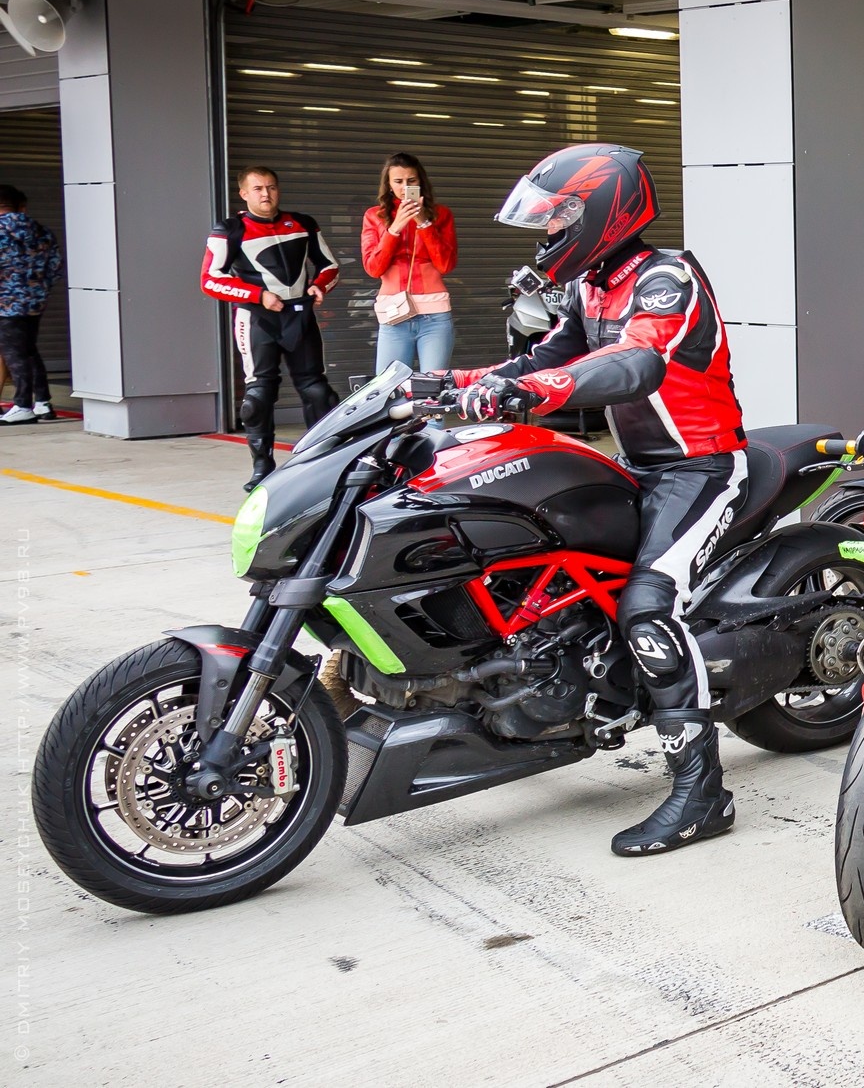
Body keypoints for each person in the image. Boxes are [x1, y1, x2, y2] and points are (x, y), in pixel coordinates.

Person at [445, 144, 750, 857]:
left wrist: (528, 391)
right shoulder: (590, 288)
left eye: (558, 220)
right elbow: (541, 360)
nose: (548, 234)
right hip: (637, 465)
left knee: (647, 603)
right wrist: (446, 383)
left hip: (700, 468)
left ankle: (702, 792)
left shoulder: (666, 277)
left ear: (604, 212)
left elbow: (636, 362)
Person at [199, 167, 341, 490]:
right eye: (258, 188)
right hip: (256, 318)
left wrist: (319, 286)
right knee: (258, 397)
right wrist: (257, 295)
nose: (266, 194)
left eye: (272, 187)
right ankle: (262, 467)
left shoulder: (302, 223)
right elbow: (209, 279)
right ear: (244, 194)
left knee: (318, 392)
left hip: (300, 315)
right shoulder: (229, 230)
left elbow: (330, 265)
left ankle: (322, 461)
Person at [362, 152, 458, 372]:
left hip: (434, 314)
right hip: (393, 313)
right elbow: (373, 268)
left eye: (411, 181)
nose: (405, 187)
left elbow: (445, 265)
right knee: (389, 385)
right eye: (398, 181)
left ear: (420, 181)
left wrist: (423, 222)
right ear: (388, 184)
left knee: (433, 385)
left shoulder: (440, 214)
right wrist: (395, 228)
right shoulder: (375, 216)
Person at [0, 184, 62, 424]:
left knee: (15, 354)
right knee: (28, 350)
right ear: (20, 206)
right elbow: (55, 267)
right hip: (35, 301)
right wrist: (38, 289)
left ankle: (22, 405)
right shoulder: (42, 231)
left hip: (6, 302)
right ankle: (42, 402)